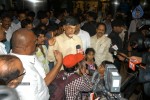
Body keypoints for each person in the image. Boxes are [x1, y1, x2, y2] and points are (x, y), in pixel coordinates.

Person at [10, 28, 63, 100]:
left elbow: (41, 82)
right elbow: (44, 83)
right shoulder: (24, 72)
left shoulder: (28, 55)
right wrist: (59, 63)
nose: (37, 43)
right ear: (26, 46)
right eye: (35, 42)